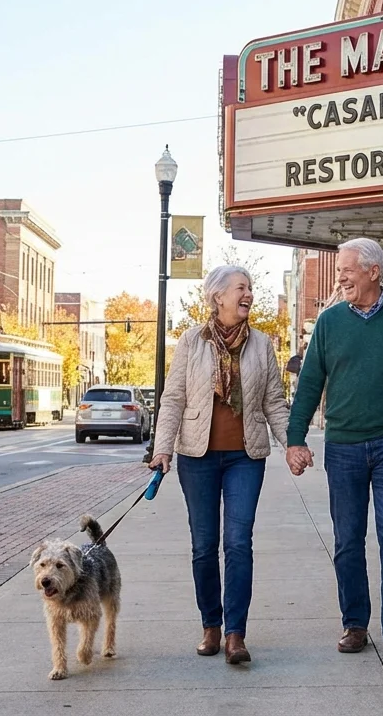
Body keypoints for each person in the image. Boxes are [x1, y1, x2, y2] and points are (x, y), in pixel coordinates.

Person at [285, 237, 383, 664]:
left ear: (374, 271)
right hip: (344, 447)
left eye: (347, 270)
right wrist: (295, 439)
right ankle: (354, 623)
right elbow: (310, 384)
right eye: (338, 271)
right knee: (348, 540)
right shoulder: (330, 323)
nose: (340, 277)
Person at [149, 265, 291, 665]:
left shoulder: (262, 345)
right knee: (203, 546)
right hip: (198, 457)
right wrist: (163, 450)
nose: (249, 294)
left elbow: (274, 403)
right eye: (241, 288)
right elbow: (173, 398)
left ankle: (235, 634)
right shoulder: (191, 342)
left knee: (238, 543)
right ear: (218, 296)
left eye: (251, 288)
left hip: (246, 456)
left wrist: (290, 445)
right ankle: (211, 624)